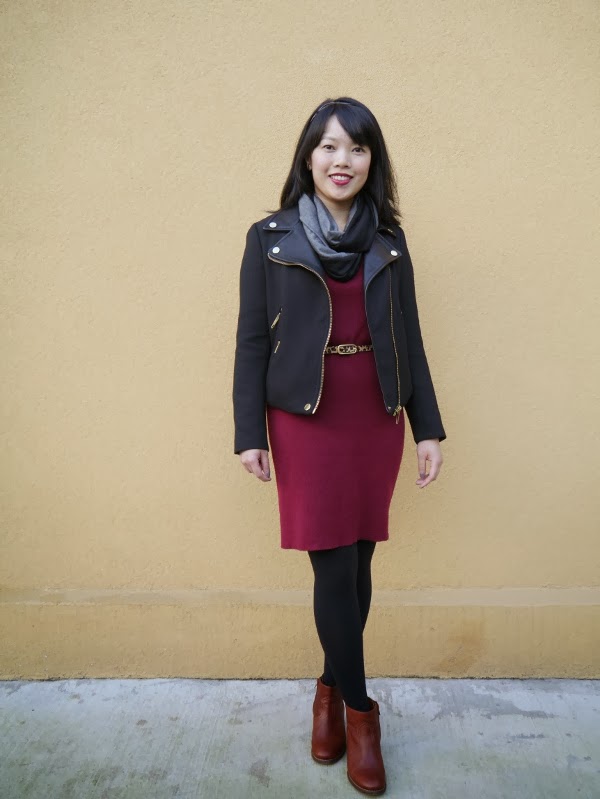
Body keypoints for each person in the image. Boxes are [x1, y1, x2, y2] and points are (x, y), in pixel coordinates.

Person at [232, 96, 446, 796]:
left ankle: (326, 691)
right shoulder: (269, 237)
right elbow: (252, 342)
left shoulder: (389, 240)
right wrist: (247, 432)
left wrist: (428, 427)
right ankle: (359, 713)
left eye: (355, 148)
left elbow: (409, 335)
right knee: (332, 568)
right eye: (327, 146)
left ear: (371, 161)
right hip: (304, 417)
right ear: (307, 157)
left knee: (358, 564)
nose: (341, 160)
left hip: (373, 416)